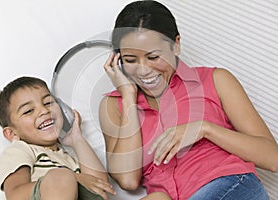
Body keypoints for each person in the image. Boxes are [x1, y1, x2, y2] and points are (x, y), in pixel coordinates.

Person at [99, 0, 278, 199]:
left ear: (176, 45)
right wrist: (129, 97)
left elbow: (273, 159)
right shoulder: (114, 106)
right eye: (131, 60)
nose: (143, 70)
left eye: (153, 57)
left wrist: (205, 129)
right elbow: (128, 180)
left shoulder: (215, 80)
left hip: (230, 185)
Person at [0, 76, 116, 200]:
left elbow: (100, 186)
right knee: (60, 175)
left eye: (48, 103)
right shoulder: (20, 149)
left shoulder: (69, 155)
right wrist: (73, 178)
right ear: (12, 133)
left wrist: (77, 139)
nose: (44, 110)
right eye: (28, 111)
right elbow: (15, 195)